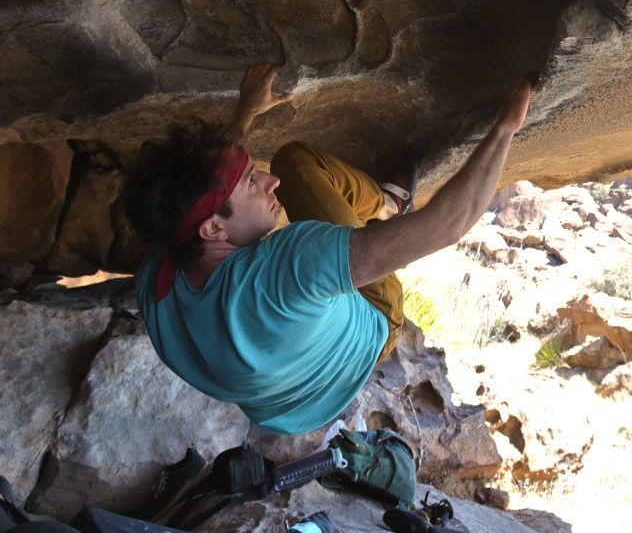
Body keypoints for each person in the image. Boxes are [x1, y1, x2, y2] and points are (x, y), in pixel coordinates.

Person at [122, 63, 532, 436]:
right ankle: (388, 207)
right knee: (294, 163)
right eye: (250, 182)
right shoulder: (288, 267)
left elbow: (207, 191)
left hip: (289, 409)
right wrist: (505, 130)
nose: (268, 181)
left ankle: (382, 209)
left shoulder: (157, 275)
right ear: (213, 228)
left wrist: (245, 113)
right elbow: (447, 224)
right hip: (372, 328)